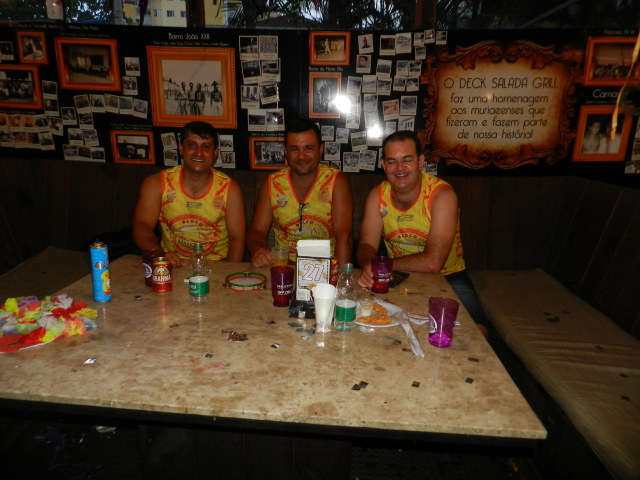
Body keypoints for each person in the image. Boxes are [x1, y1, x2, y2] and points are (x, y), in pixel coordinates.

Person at [356, 130, 488, 338]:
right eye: (392, 161)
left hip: (448, 277)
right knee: (368, 323)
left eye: (407, 160)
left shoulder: (442, 195)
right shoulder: (377, 195)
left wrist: (383, 266)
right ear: (383, 165)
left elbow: (433, 263)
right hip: (396, 276)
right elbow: (366, 244)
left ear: (420, 161)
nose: (400, 168)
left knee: (477, 332)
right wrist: (368, 265)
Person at [132, 121, 246, 268]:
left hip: (217, 264)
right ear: (181, 148)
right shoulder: (157, 183)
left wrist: (227, 272)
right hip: (172, 262)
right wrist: (159, 254)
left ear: (215, 153)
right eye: (192, 145)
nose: (199, 152)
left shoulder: (230, 189)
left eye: (206, 147)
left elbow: (238, 238)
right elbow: (142, 225)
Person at [247, 119, 353, 267]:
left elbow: (344, 238)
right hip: (284, 267)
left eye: (308, 148)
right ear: (286, 151)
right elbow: (257, 231)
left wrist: (339, 276)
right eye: (294, 149)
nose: (301, 156)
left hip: (326, 268)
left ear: (320, 150)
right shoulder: (272, 183)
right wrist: (258, 250)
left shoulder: (336, 181)